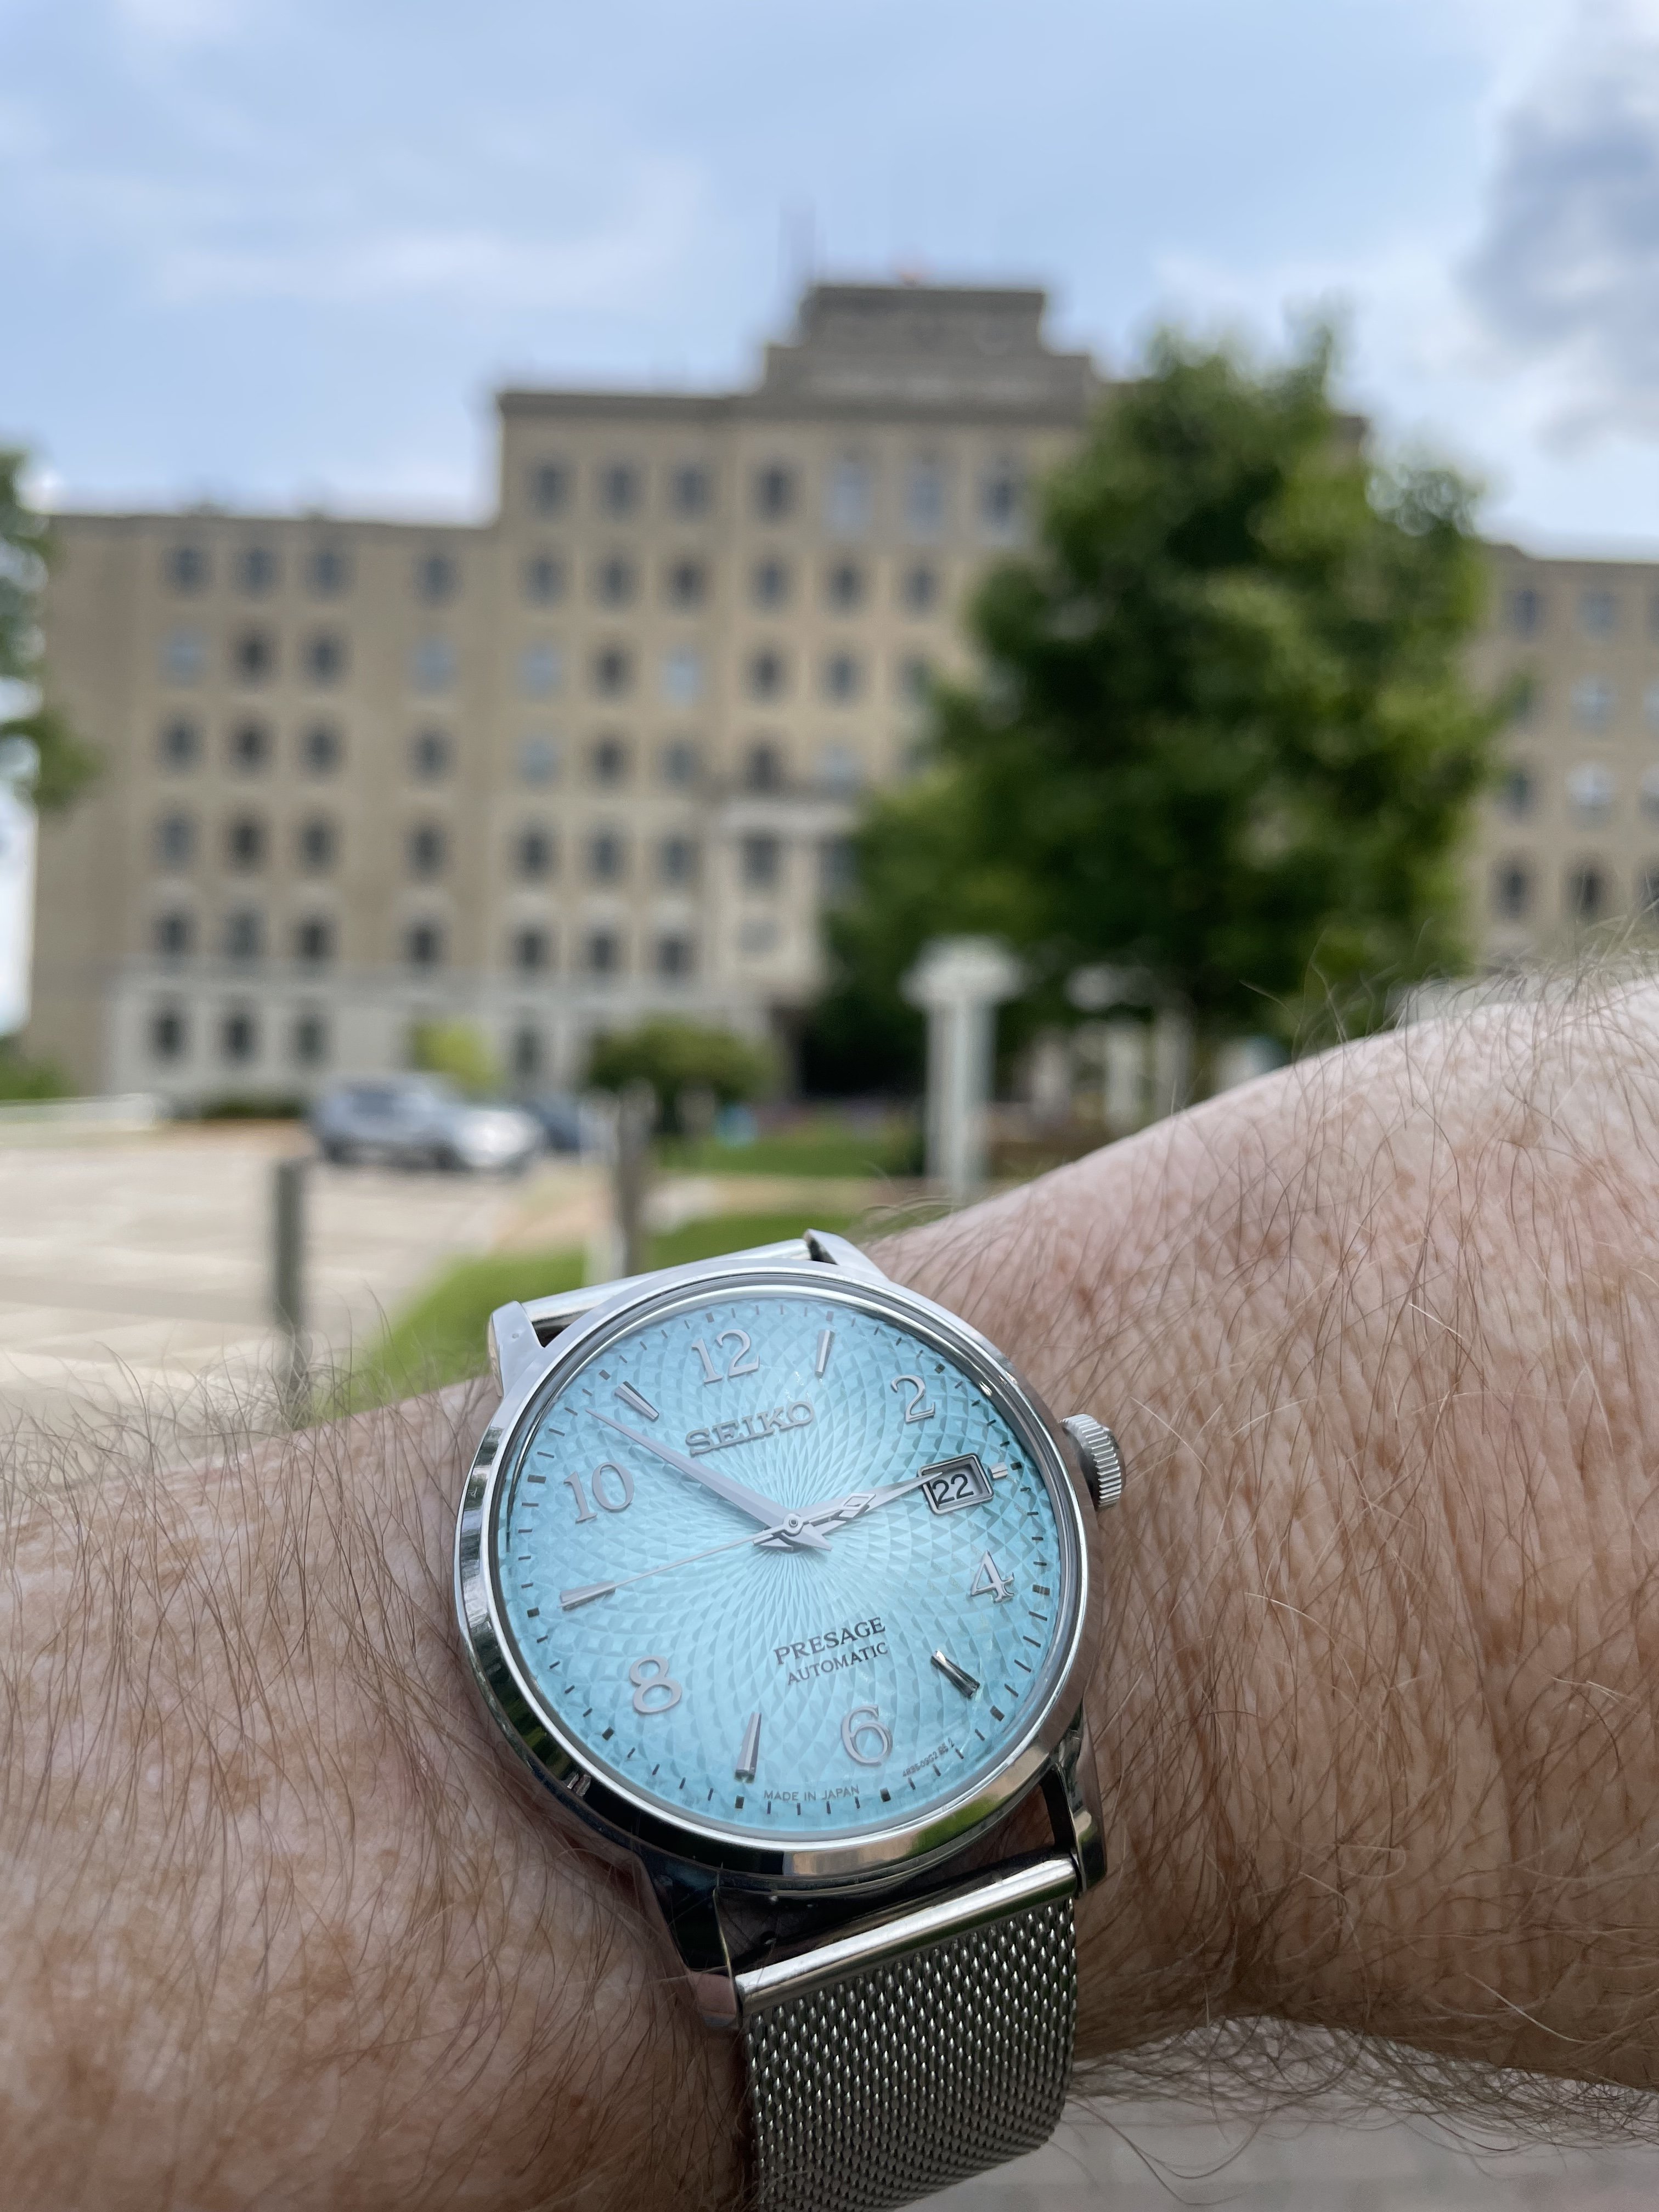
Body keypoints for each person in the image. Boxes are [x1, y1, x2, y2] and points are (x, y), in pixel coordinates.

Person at [5, 983, 1659, 2207]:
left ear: (1071, 1465)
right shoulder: (565, 1494)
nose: (796, 1534)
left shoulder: (946, 1443)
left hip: (987, 1773)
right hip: (751, 1861)